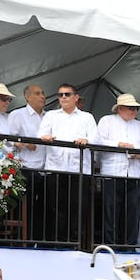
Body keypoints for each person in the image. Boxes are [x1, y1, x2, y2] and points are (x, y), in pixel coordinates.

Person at [38, 84, 98, 243]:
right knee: (57, 208)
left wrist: (87, 140)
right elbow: (40, 134)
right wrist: (45, 137)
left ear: (76, 97)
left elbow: (95, 138)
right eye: (60, 95)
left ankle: (75, 243)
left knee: (78, 208)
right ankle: (58, 242)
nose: (63, 97)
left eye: (67, 94)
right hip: (56, 167)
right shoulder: (51, 115)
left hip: (79, 169)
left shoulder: (87, 117)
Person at [96, 93, 140, 246]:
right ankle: (109, 246)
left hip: (134, 174)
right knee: (111, 212)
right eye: (131, 108)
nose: (135, 111)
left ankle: (130, 246)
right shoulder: (107, 121)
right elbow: (98, 141)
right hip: (112, 173)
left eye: (136, 109)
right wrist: (119, 144)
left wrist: (139, 155)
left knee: (132, 213)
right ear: (120, 108)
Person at [9, 85, 48, 239]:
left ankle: (40, 240)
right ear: (27, 96)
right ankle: (23, 240)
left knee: (43, 210)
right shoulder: (17, 115)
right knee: (26, 208)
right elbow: (8, 139)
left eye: (43, 93)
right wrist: (25, 143)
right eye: (38, 93)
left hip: (46, 169)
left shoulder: (49, 117)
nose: (42, 96)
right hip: (25, 168)